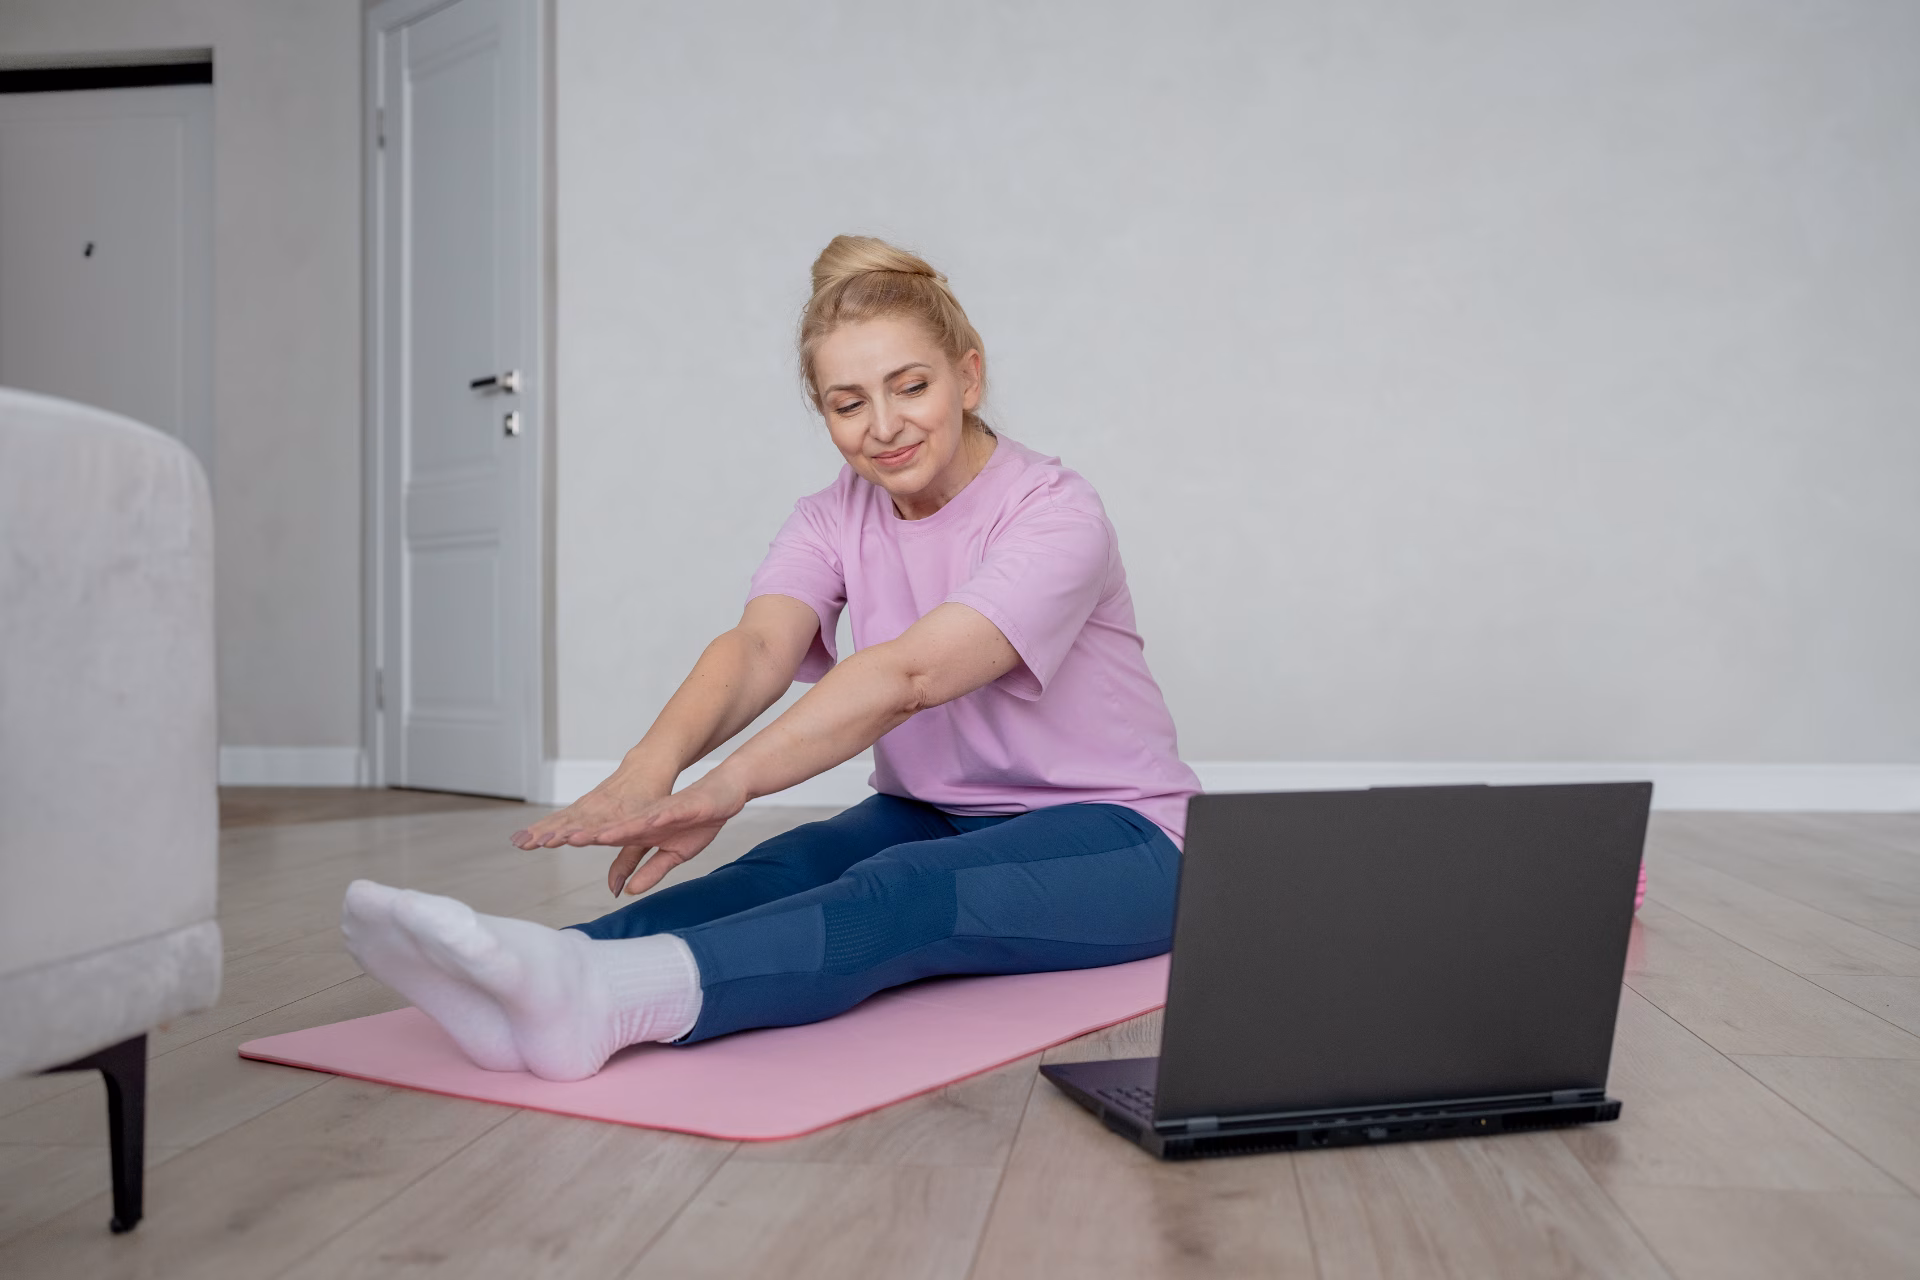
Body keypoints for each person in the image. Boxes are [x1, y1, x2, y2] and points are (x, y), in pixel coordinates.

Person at [342, 235, 1202, 1081]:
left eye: (911, 387)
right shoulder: (832, 515)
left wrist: (729, 785)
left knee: (900, 889)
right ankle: (534, 971)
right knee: (780, 870)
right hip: (935, 809)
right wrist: (650, 771)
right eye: (848, 404)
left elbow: (909, 676)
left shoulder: (1055, 513)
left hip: (1127, 838)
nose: (885, 427)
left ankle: (608, 1001)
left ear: (967, 377)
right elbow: (758, 646)